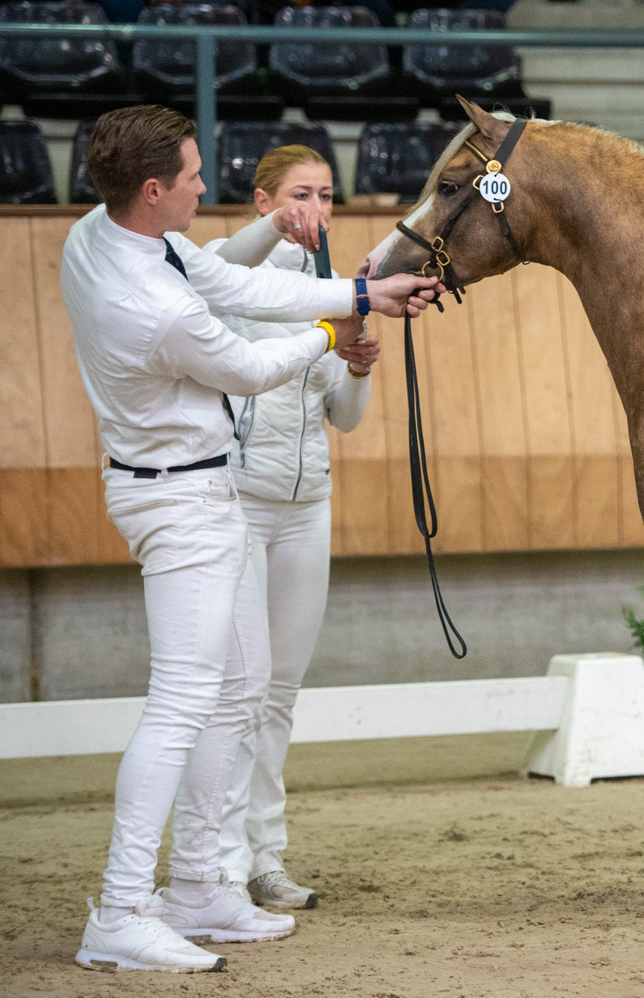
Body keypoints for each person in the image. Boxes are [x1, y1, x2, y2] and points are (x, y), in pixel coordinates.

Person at [62, 104, 439, 974]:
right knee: (184, 704)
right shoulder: (151, 301)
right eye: (193, 176)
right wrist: (330, 329)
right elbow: (248, 362)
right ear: (154, 190)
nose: (204, 183)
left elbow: (238, 285)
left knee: (235, 696)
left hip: (193, 490)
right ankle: (120, 908)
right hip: (184, 502)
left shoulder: (105, 230)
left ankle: (198, 886)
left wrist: (357, 292)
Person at [205, 145, 376, 911]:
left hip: (308, 508)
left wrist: (361, 367)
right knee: (236, 692)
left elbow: (342, 417)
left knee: (279, 693)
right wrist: (274, 227)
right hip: (238, 501)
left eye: (325, 195)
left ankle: (264, 858)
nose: (316, 208)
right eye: (300, 194)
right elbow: (220, 257)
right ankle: (219, 856)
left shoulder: (334, 292)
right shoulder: (229, 274)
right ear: (265, 199)